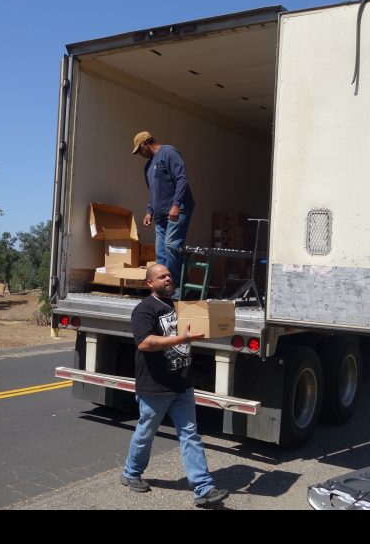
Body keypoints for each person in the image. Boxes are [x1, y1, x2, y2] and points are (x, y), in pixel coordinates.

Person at [120, 263, 229, 507]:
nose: (168, 279)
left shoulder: (180, 307)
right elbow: (145, 343)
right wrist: (181, 339)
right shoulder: (144, 310)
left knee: (190, 434)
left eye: (169, 275)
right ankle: (130, 473)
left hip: (182, 383)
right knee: (146, 433)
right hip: (155, 386)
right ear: (150, 283)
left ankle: (203, 488)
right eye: (162, 277)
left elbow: (197, 326)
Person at [132, 131, 195, 298]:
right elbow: (153, 193)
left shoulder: (168, 152)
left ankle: (178, 286)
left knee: (171, 246)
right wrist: (149, 212)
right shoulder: (148, 167)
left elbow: (182, 178)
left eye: (139, 150)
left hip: (177, 210)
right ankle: (163, 290)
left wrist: (176, 205)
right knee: (161, 252)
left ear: (146, 144)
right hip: (160, 216)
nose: (140, 155)